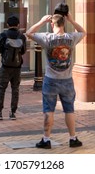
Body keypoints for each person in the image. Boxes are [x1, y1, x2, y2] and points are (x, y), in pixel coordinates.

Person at [26, 12, 86, 149]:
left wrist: (41, 21)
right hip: (67, 80)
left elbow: (29, 33)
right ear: (64, 24)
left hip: (51, 80)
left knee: (49, 110)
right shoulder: (71, 38)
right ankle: (73, 138)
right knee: (69, 110)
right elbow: (83, 32)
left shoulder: (47, 38)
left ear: (52, 24)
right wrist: (72, 20)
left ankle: (46, 140)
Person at [0, 15, 26, 120]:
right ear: (18, 24)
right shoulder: (22, 36)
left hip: (5, 66)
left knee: (1, 88)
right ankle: (12, 113)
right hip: (17, 66)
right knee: (15, 89)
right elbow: (23, 51)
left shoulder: (3, 35)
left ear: (7, 24)